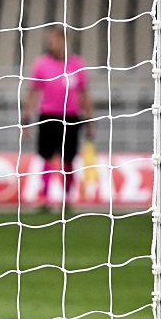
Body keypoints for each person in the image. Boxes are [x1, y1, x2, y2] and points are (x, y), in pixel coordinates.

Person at [22, 26, 94, 208]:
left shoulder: (77, 64)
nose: (50, 43)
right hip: (48, 116)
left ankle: (67, 197)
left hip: (71, 117)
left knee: (69, 158)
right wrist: (26, 119)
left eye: (53, 40)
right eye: (49, 40)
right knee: (46, 155)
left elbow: (84, 94)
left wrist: (89, 120)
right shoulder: (41, 64)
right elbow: (32, 93)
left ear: (63, 40)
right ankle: (45, 197)